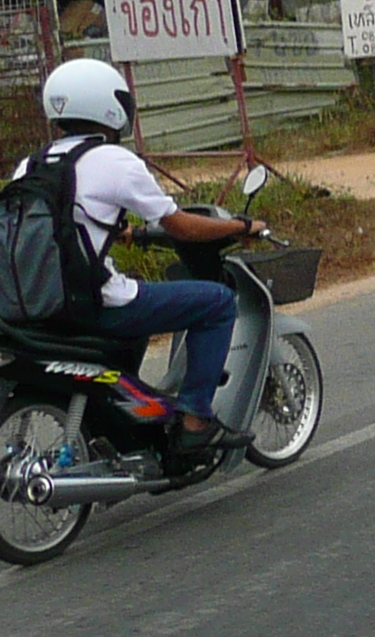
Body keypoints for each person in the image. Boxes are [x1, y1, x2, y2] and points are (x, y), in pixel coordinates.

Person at [28, 58, 256, 452]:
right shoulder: (114, 160)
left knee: (137, 297)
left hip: (41, 305)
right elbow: (181, 226)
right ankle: (195, 417)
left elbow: (66, 225)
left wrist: (124, 232)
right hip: (92, 305)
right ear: (110, 107)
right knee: (216, 302)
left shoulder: (34, 163)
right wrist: (240, 227)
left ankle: (123, 423)